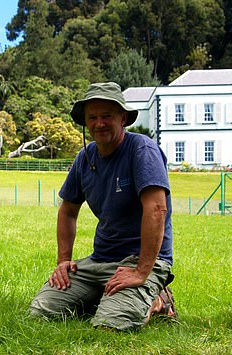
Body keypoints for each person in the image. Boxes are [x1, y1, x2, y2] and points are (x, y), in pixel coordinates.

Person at [29, 82, 175, 331]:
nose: (99, 123)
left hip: (140, 260)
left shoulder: (141, 150)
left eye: (107, 116)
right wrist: (63, 261)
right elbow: (67, 210)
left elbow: (156, 209)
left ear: (123, 118)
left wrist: (141, 271)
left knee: (111, 325)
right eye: (92, 117)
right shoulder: (84, 158)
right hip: (99, 260)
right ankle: (108, 296)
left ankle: (158, 298)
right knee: (41, 312)